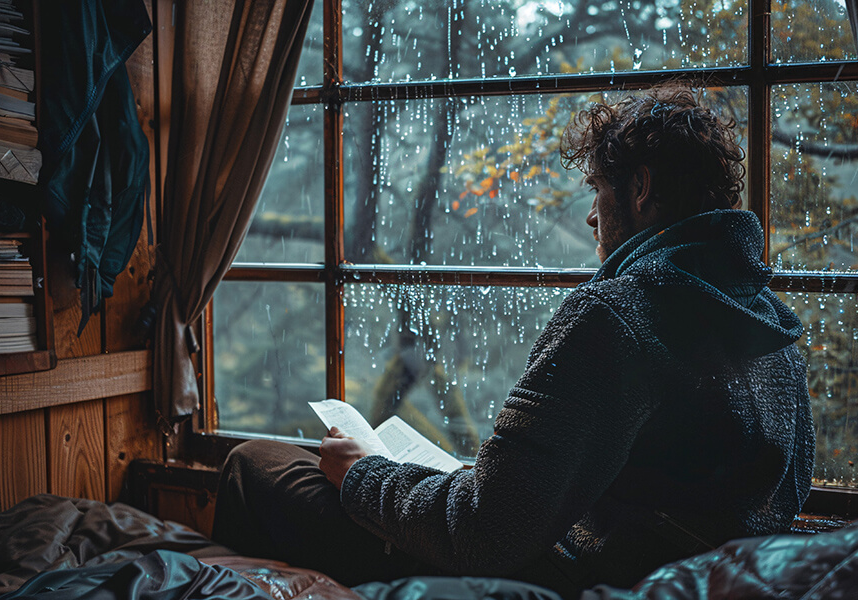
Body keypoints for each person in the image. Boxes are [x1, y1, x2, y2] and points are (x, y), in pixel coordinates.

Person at [211, 83, 815, 597]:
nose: (590, 218)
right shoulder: (771, 328)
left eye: (598, 191)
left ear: (641, 187)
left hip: (567, 574)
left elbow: (486, 532)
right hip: (666, 575)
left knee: (252, 465)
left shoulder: (619, 316)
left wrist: (366, 474)